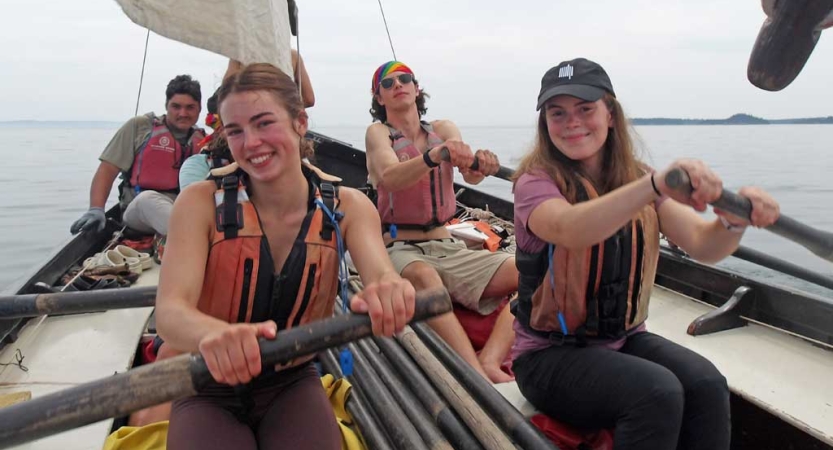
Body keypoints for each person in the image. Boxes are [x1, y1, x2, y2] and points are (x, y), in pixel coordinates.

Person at [510, 57, 781, 449]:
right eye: (557, 113)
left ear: (611, 115)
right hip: (548, 357)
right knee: (656, 391)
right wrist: (655, 184)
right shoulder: (535, 183)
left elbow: (704, 245)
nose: (572, 122)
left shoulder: (637, 180)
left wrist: (734, 221)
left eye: (585, 109)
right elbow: (569, 229)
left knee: (706, 382)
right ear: (545, 122)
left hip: (623, 338)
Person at [155, 63, 415, 450]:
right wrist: (214, 334)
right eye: (236, 131)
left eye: (264, 123)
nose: (251, 143)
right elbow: (170, 313)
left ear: (299, 122)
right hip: (208, 384)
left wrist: (390, 290)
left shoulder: (352, 206)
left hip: (291, 381)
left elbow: (380, 274)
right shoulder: (199, 204)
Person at [365, 61, 517, 383]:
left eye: (404, 79)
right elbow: (390, 178)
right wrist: (434, 157)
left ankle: (490, 359)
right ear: (379, 98)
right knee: (425, 278)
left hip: (447, 242)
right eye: (388, 84)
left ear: (416, 88)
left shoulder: (443, 129)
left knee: (533, 270)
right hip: (400, 247)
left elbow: (471, 176)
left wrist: (482, 163)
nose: (398, 86)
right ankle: (477, 378)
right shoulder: (378, 134)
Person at [70, 75, 205, 239]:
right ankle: (195, 239)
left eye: (190, 107)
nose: (182, 113)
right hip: (139, 211)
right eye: (176, 106)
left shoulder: (204, 140)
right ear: (166, 106)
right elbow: (107, 169)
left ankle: (195, 237)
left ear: (199, 109)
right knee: (148, 200)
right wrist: (96, 209)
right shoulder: (140, 127)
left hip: (182, 209)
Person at [225, 49, 315, 107]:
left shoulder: (239, 55)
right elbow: (308, 99)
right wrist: (284, 107)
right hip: (283, 119)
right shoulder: (293, 56)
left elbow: (226, 94)